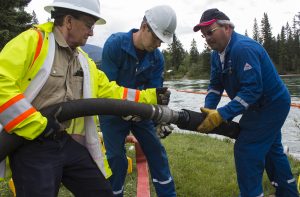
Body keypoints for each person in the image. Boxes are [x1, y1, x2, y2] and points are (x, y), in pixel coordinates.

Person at [0, 0, 171, 196]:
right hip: (28, 144)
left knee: (100, 191)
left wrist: (152, 96)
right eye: (89, 25)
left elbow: (112, 92)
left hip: (64, 140)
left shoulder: (84, 61)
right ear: (69, 21)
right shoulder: (32, 41)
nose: (91, 33)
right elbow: (1, 83)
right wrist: (37, 124)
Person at [193, 8, 299, 197]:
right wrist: (209, 108)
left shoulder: (243, 48)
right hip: (258, 104)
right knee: (272, 149)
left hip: (272, 104)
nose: (207, 38)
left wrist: (223, 114)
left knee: (247, 149)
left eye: (210, 32)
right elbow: (215, 85)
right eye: (204, 35)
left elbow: (252, 90)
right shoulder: (216, 55)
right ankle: (288, 193)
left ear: (227, 27)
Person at [99, 5, 177, 197]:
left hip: (141, 114)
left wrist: (160, 119)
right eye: (156, 38)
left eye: (162, 40)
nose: (159, 44)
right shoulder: (115, 45)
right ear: (144, 26)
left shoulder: (157, 59)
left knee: (156, 151)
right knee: (116, 158)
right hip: (111, 112)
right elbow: (106, 86)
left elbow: (155, 93)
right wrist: (124, 107)